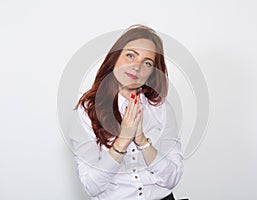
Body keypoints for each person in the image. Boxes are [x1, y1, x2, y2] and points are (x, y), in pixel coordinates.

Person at [69, 24, 184, 200]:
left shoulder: (162, 109)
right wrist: (123, 140)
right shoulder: (86, 111)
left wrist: (143, 142)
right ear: (115, 58)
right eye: (130, 55)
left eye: (147, 63)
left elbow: (172, 178)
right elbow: (91, 186)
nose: (136, 67)